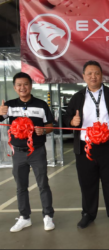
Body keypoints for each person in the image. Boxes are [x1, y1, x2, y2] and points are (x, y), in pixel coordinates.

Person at [63, 61, 109, 228]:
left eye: (97, 73)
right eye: (90, 73)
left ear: (102, 75)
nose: (93, 76)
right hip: (86, 148)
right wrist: (72, 121)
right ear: (84, 76)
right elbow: (64, 119)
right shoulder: (78, 97)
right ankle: (88, 214)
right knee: (87, 183)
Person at [0, 72, 55, 232]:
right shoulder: (9, 106)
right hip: (18, 153)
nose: (22, 87)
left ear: (30, 86)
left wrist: (43, 131)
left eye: (25, 84)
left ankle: (48, 216)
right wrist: (1, 112)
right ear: (14, 87)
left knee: (43, 184)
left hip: (37, 151)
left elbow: (50, 126)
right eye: (19, 85)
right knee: (20, 186)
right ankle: (25, 218)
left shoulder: (41, 105)